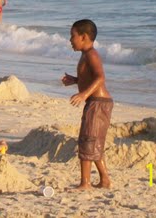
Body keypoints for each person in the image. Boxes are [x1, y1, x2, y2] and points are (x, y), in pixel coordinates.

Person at [61, 18, 113, 190]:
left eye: (72, 36)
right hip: (96, 102)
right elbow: (88, 77)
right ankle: (104, 180)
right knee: (94, 140)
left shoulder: (92, 54)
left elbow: (100, 78)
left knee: (87, 140)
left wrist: (84, 93)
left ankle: (85, 182)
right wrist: (75, 80)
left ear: (83, 37)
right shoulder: (85, 55)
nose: (70, 40)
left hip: (98, 102)